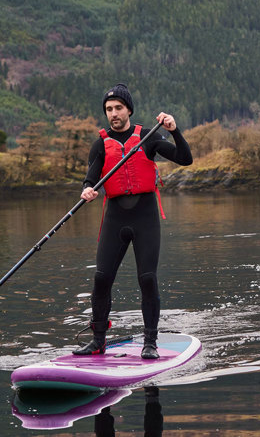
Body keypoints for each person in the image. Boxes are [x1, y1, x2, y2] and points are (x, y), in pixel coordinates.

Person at [74, 83, 193, 359]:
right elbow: (91, 177)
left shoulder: (148, 138)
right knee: (101, 278)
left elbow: (185, 159)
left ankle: (150, 342)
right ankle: (98, 340)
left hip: (145, 216)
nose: (113, 113)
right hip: (115, 216)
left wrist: (174, 130)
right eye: (108, 109)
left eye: (118, 108)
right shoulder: (100, 144)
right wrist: (87, 189)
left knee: (148, 279)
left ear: (128, 109)